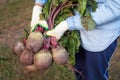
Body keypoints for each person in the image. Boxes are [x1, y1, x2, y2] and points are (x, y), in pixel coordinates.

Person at [30, 0, 120, 80]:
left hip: (99, 36)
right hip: (74, 33)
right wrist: (38, 5)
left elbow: (116, 6)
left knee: (94, 76)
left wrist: (69, 24)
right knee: (79, 72)